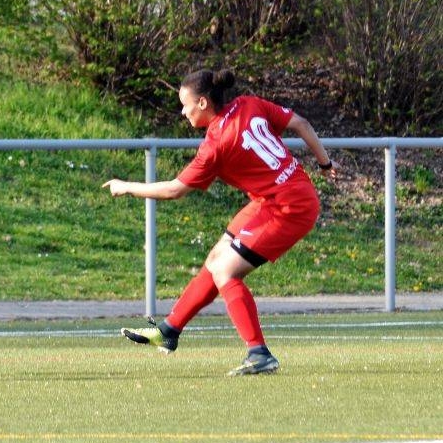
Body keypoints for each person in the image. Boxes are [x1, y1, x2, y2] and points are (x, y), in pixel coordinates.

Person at [103, 69, 337, 375]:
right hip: (280, 196)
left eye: (185, 105)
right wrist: (325, 164)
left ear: (202, 103)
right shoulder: (248, 103)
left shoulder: (216, 144)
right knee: (216, 258)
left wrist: (127, 187)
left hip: (289, 208)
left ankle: (259, 353)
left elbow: (174, 190)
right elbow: (301, 123)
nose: (182, 112)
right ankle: (169, 330)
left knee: (225, 271)